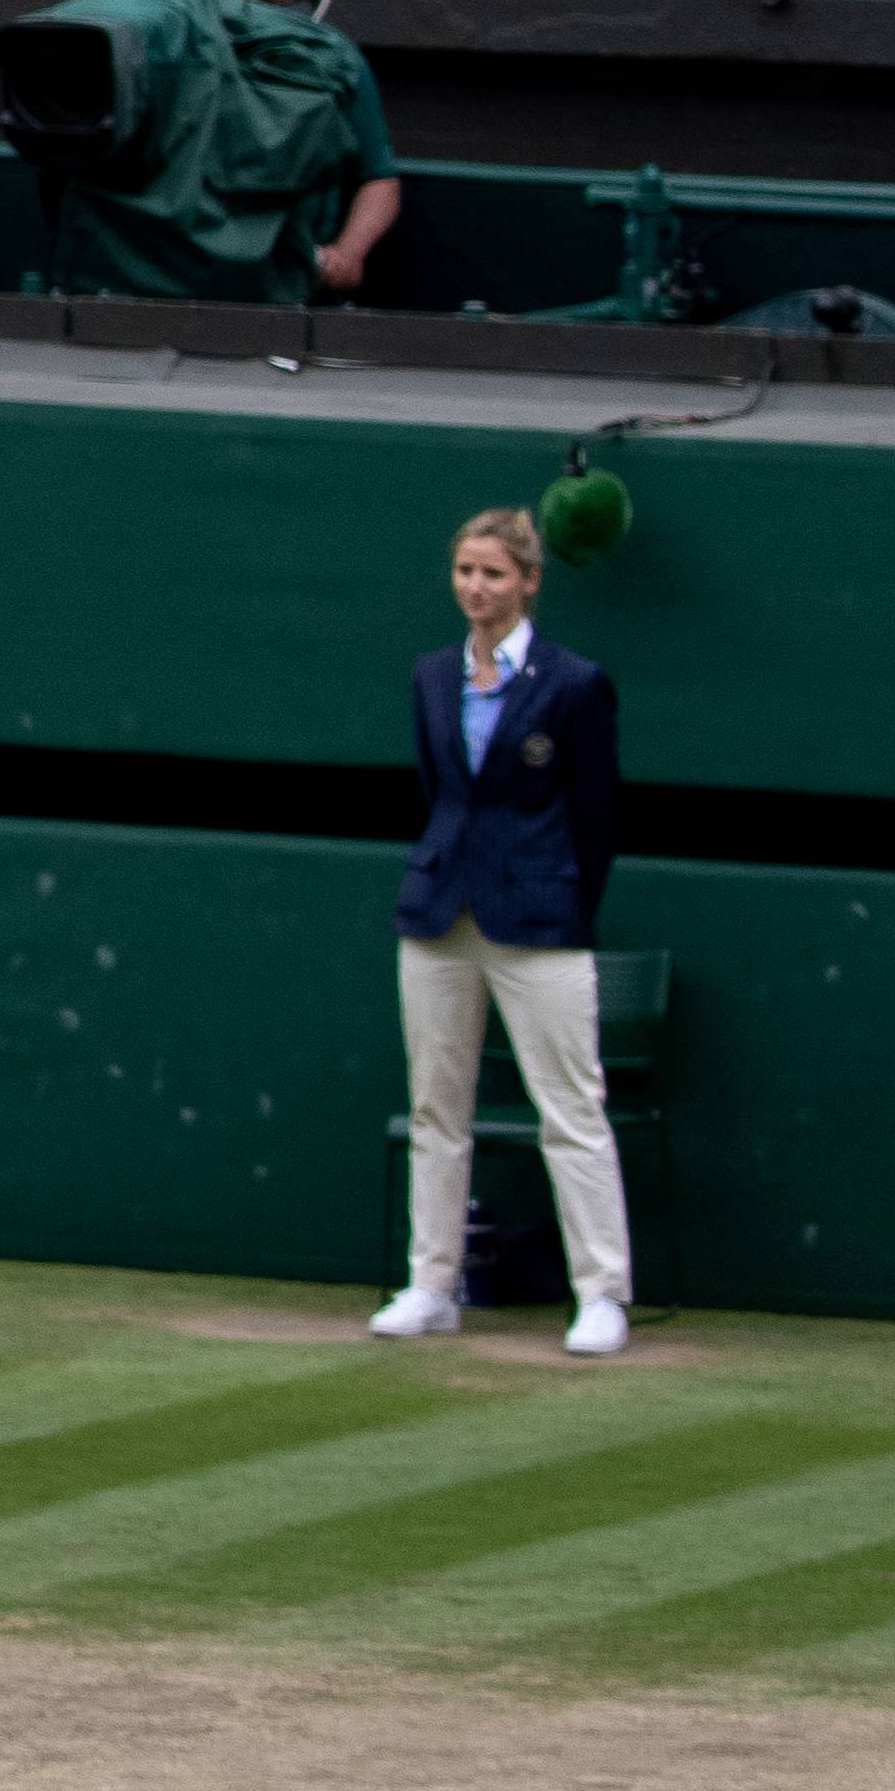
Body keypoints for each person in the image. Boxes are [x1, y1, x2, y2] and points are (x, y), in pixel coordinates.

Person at [376, 500, 631, 1360]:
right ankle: (431, 1285)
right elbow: (438, 790)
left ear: (528, 581)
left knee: (572, 1108)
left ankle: (602, 1295)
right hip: (440, 912)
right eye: (464, 572)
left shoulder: (573, 683)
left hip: (540, 920)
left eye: (492, 573)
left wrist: (558, 898)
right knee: (435, 1108)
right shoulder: (430, 676)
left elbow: (597, 817)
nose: (475, 588)